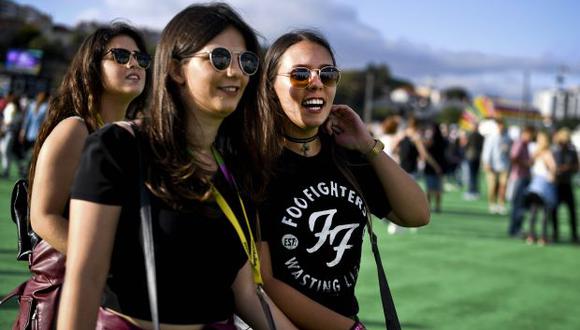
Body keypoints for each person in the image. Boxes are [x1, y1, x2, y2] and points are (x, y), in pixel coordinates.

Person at [57, 4, 296, 330]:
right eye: (220, 58)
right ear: (175, 69)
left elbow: (247, 292)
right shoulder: (118, 147)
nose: (236, 72)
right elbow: (85, 279)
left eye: (247, 61)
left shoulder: (233, 167)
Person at [257, 29, 430, 330]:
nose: (316, 83)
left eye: (328, 74)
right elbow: (264, 281)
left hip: (346, 320)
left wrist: (367, 145)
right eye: (300, 74)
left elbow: (416, 214)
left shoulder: (345, 156)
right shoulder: (255, 163)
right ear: (271, 85)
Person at [8, 23, 151, 329]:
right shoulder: (75, 129)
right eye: (121, 55)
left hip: (115, 303)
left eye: (142, 58)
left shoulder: (137, 137)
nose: (134, 63)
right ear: (92, 66)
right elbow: (43, 217)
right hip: (64, 299)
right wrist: (106, 266)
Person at [524, 131, 557, 246]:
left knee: (535, 210)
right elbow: (553, 167)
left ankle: (532, 235)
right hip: (542, 183)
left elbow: (531, 165)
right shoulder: (544, 153)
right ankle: (541, 237)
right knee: (542, 210)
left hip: (536, 183)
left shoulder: (539, 152)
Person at [551, 128, 579, 243]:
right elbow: (552, 167)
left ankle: (574, 235)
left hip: (567, 184)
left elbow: (576, 167)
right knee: (554, 210)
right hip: (556, 185)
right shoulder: (554, 152)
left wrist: (568, 168)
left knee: (572, 211)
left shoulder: (572, 152)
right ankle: (555, 234)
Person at [507, 126, 534, 237]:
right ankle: (515, 229)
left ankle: (515, 228)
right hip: (519, 177)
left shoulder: (525, 144)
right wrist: (525, 164)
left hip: (522, 177)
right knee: (518, 205)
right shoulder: (520, 143)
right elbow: (513, 157)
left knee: (519, 205)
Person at [481, 118, 511, 214]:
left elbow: (510, 151)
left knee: (503, 186)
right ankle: (492, 204)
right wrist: (486, 163)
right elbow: (486, 151)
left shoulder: (507, 137)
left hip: (504, 165)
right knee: (492, 186)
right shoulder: (491, 137)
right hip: (492, 165)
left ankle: (501, 204)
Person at [0, 92, 23, 178]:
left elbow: (10, 121)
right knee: (5, 151)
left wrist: (3, 123)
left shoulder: (13, 107)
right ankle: (7, 170)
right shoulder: (12, 106)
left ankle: (6, 171)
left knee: (6, 151)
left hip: (9, 131)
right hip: (7, 131)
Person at [462, 123, 484, 200]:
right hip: (477, 157)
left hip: (471, 156)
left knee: (471, 175)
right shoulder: (481, 136)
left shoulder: (470, 135)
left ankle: (471, 191)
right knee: (475, 175)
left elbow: (465, 146)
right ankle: (475, 191)